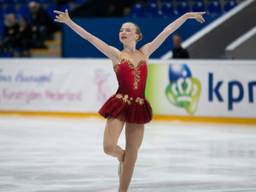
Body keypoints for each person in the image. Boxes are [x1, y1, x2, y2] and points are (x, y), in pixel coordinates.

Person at [53, 9, 205, 192]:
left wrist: (187, 15)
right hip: (120, 103)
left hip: (139, 106)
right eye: (121, 30)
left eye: (127, 30)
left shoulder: (146, 52)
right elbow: (90, 38)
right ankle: (121, 157)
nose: (122, 32)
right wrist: (69, 22)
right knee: (109, 147)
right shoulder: (115, 54)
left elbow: (166, 32)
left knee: (133, 156)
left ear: (138, 36)